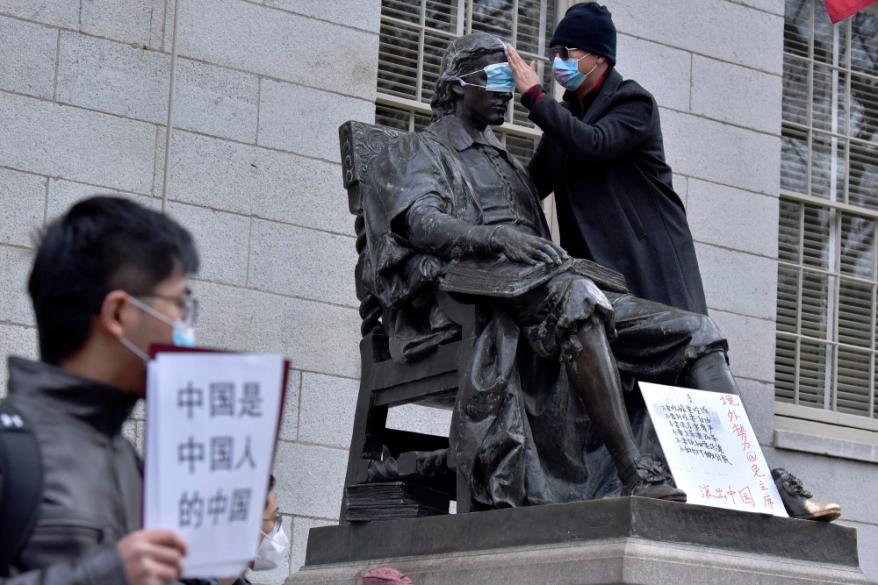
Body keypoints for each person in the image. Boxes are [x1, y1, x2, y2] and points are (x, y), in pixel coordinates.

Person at [361, 32, 770, 509]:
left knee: (696, 331)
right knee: (578, 299)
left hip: (544, 288)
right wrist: (496, 238)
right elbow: (421, 221)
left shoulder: (509, 165)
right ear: (453, 85)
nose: (507, 90)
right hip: (475, 299)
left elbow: (587, 151)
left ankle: (752, 482)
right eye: (495, 77)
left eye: (510, 79)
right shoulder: (415, 151)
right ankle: (632, 468)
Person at [0, 196, 196, 584]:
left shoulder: (131, 462)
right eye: (179, 305)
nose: (185, 327)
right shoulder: (10, 448)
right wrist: (104, 575)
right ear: (119, 314)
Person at [506, 2, 707, 315]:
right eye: (554, 52)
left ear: (598, 56)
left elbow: (594, 144)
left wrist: (535, 96)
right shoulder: (567, 118)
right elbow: (529, 187)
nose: (558, 61)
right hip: (595, 274)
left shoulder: (632, 102)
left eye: (567, 52)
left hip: (646, 266)